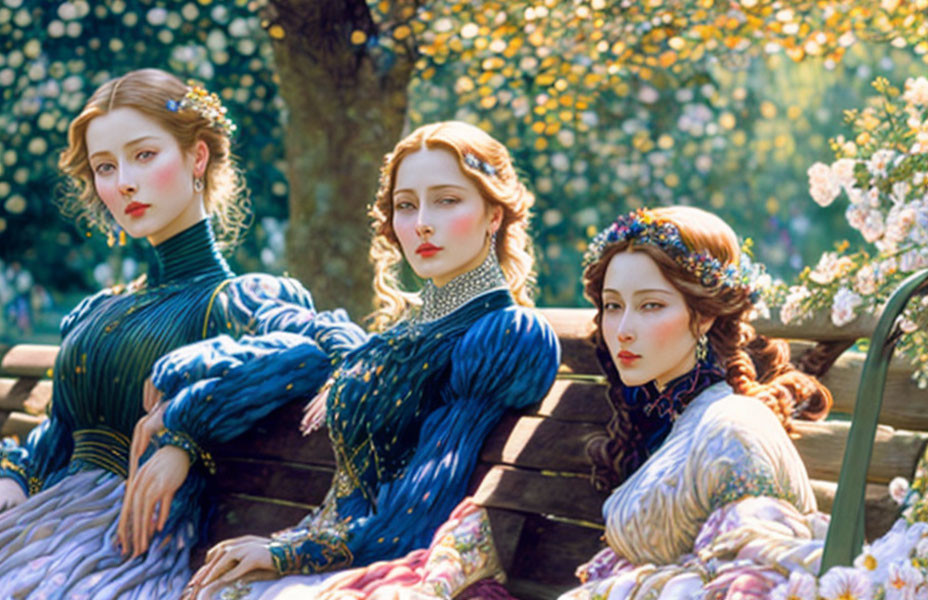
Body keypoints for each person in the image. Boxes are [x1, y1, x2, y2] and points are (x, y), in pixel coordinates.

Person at [176, 121, 561, 599]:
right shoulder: (401, 333)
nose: (421, 222)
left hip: (399, 561)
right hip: (332, 541)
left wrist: (286, 555)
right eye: (406, 205)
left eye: (446, 201)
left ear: (493, 215)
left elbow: (419, 514)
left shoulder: (503, 335)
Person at [0, 68, 337, 599]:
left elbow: (321, 352)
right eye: (105, 168)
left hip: (122, 544)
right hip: (47, 520)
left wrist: (183, 434)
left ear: (197, 157)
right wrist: (16, 478)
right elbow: (60, 431)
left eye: (143, 155)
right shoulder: (100, 309)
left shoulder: (236, 300)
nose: (124, 183)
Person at [560, 206, 838, 599]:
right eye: (613, 306)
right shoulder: (671, 418)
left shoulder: (732, 431)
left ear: (704, 315)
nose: (622, 331)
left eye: (650, 306)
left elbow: (755, 583)